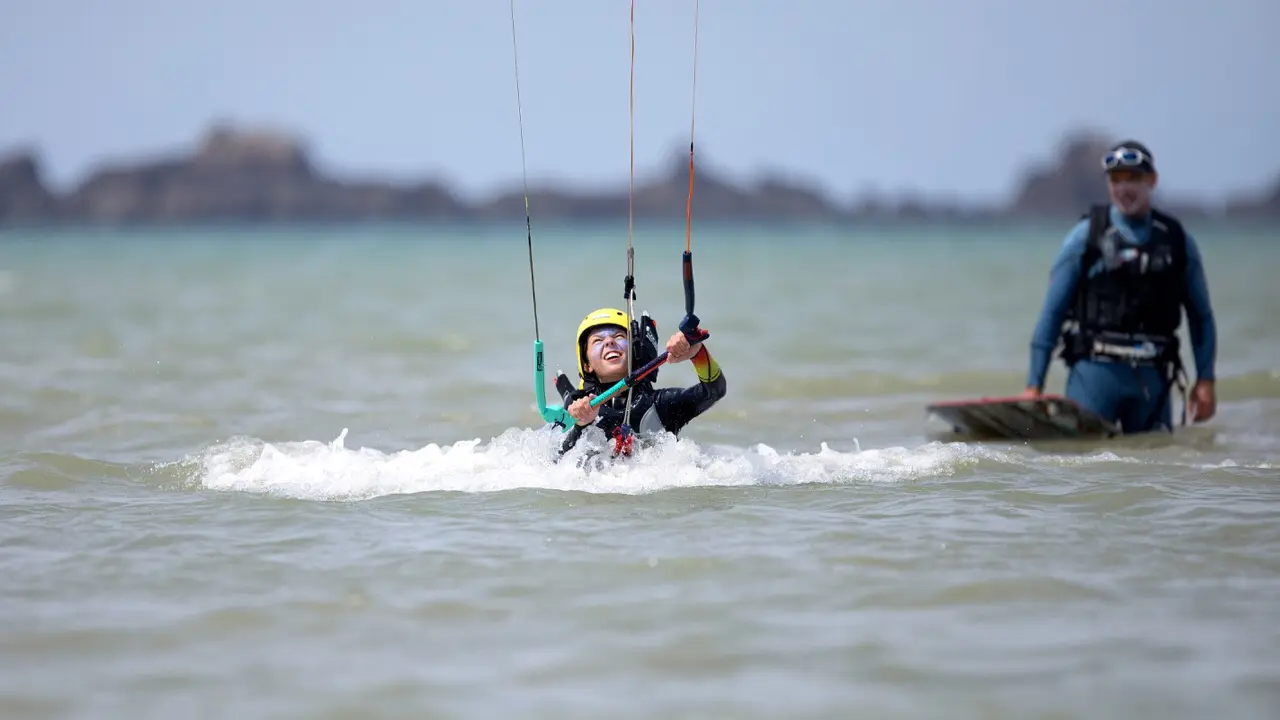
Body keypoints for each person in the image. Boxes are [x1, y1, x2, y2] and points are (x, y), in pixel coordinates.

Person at [1023, 140, 1217, 433]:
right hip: (1094, 375)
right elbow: (1052, 313)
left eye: (1134, 179)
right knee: (1084, 472)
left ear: (1152, 180)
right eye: (1116, 180)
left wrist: (1205, 380)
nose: (1124, 189)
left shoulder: (1177, 241)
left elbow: (1200, 317)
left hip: (1153, 380)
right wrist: (1033, 385)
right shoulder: (1084, 237)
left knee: (1155, 470)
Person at [553, 307, 726, 456]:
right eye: (598, 340)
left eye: (619, 336)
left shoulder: (660, 405)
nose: (609, 341)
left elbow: (714, 390)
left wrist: (698, 354)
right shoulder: (579, 406)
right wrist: (581, 424)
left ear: (635, 352)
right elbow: (557, 465)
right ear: (587, 364)